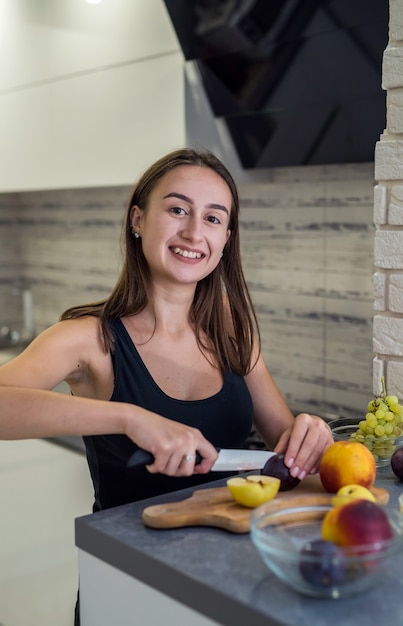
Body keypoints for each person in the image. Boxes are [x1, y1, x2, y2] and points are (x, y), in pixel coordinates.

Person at [0, 146, 333, 508]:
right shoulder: (87, 338)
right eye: (178, 210)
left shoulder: (230, 325)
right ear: (137, 220)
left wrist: (307, 436)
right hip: (125, 560)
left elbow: (283, 443)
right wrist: (129, 419)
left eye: (213, 218)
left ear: (226, 239)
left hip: (232, 548)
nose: (193, 233)